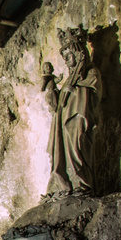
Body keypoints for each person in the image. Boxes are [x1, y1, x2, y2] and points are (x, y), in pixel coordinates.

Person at [44, 26, 99, 196]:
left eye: (69, 57)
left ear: (79, 55)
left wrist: (74, 91)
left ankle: (80, 183)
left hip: (78, 119)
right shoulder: (70, 78)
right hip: (63, 122)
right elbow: (62, 102)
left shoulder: (91, 73)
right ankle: (62, 184)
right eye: (65, 58)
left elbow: (92, 95)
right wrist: (55, 96)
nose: (67, 61)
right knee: (61, 150)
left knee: (77, 148)